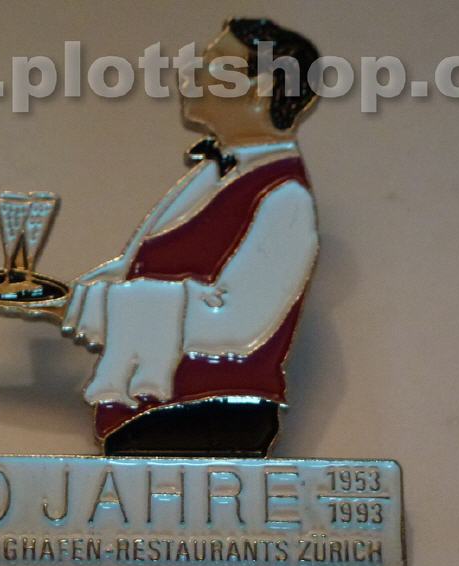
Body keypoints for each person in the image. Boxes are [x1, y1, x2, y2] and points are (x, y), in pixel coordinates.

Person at [61, 18, 321, 457]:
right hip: (151, 418)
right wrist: (61, 299)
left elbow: (240, 322)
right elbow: (136, 272)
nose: (193, 75)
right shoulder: (212, 175)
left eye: (214, 66)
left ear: (260, 90)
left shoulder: (285, 198)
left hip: (212, 419)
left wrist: (97, 304)